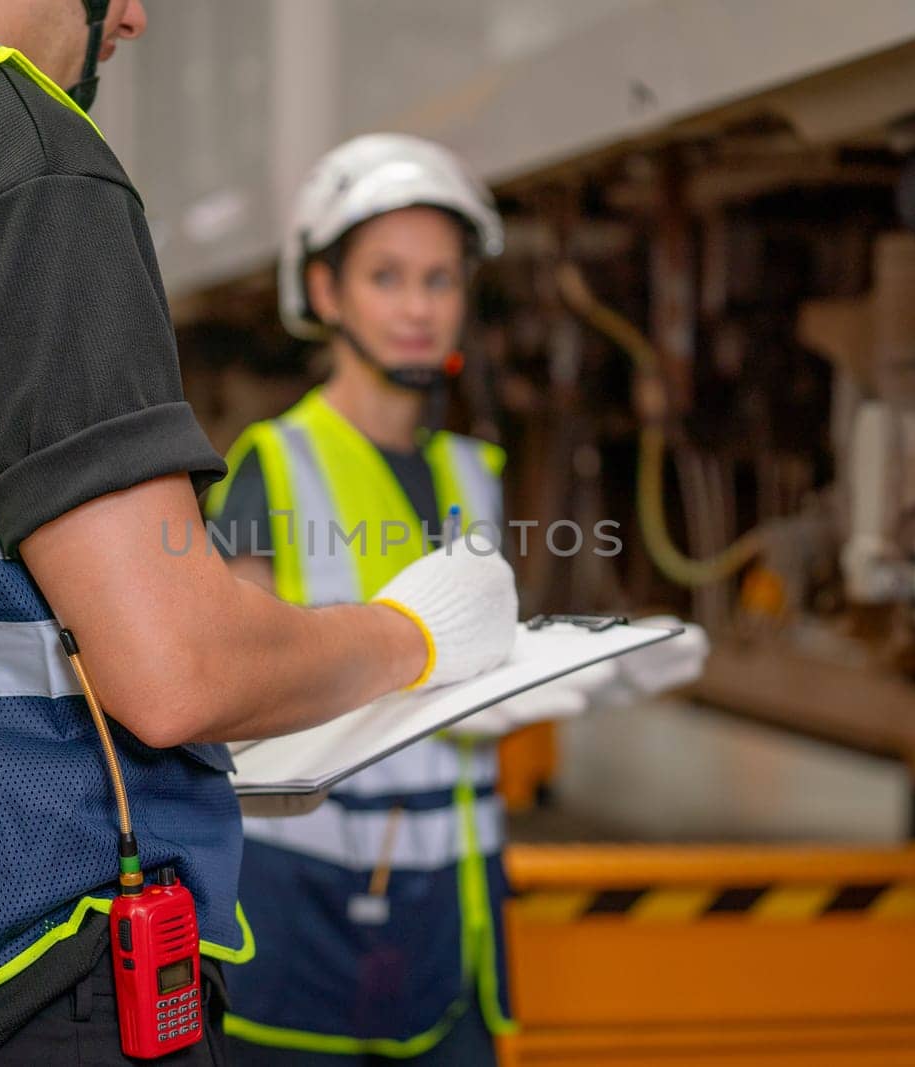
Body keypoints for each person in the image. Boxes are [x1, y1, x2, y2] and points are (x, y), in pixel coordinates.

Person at [0, 4, 518, 1065]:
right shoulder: (3, 134)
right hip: (34, 971)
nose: (137, 16)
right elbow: (174, 670)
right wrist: (411, 634)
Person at [205, 133, 597, 1066]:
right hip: (313, 930)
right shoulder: (276, 462)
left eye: (441, 279)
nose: (420, 308)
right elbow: (233, 696)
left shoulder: (477, 472)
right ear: (328, 293)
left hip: (455, 923)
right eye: (387, 277)